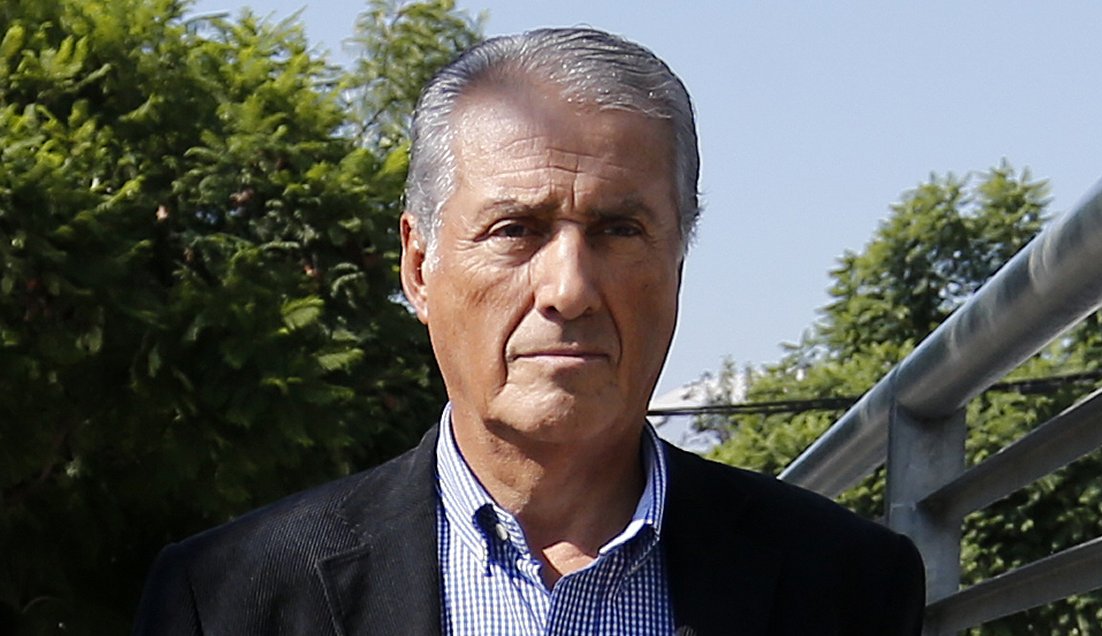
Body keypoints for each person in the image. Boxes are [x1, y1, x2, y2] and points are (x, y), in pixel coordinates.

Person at [133, 27, 925, 635]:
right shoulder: (230, 600)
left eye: (619, 230)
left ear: (678, 262)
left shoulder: (846, 585)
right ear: (419, 267)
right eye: (515, 229)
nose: (569, 290)